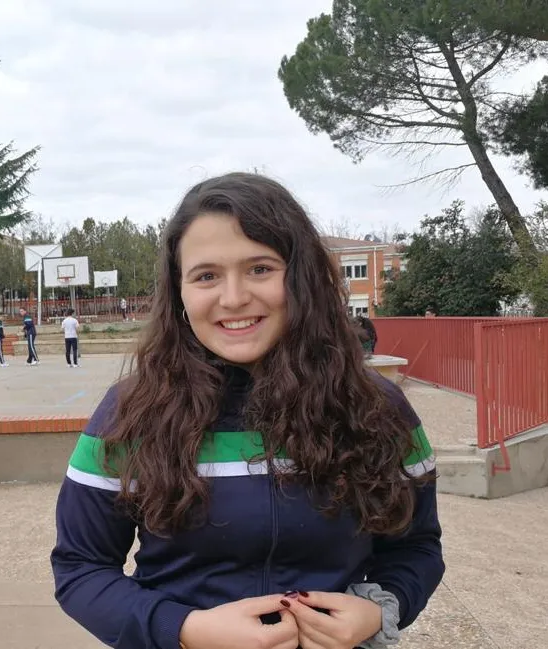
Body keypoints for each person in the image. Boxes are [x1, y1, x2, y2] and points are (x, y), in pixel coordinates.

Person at [50, 173, 443, 649]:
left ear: (301, 278)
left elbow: (417, 548)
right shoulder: (129, 413)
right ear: (179, 291)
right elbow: (81, 567)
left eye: (260, 268)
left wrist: (381, 610)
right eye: (206, 275)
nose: (233, 298)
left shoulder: (381, 408)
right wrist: (184, 629)